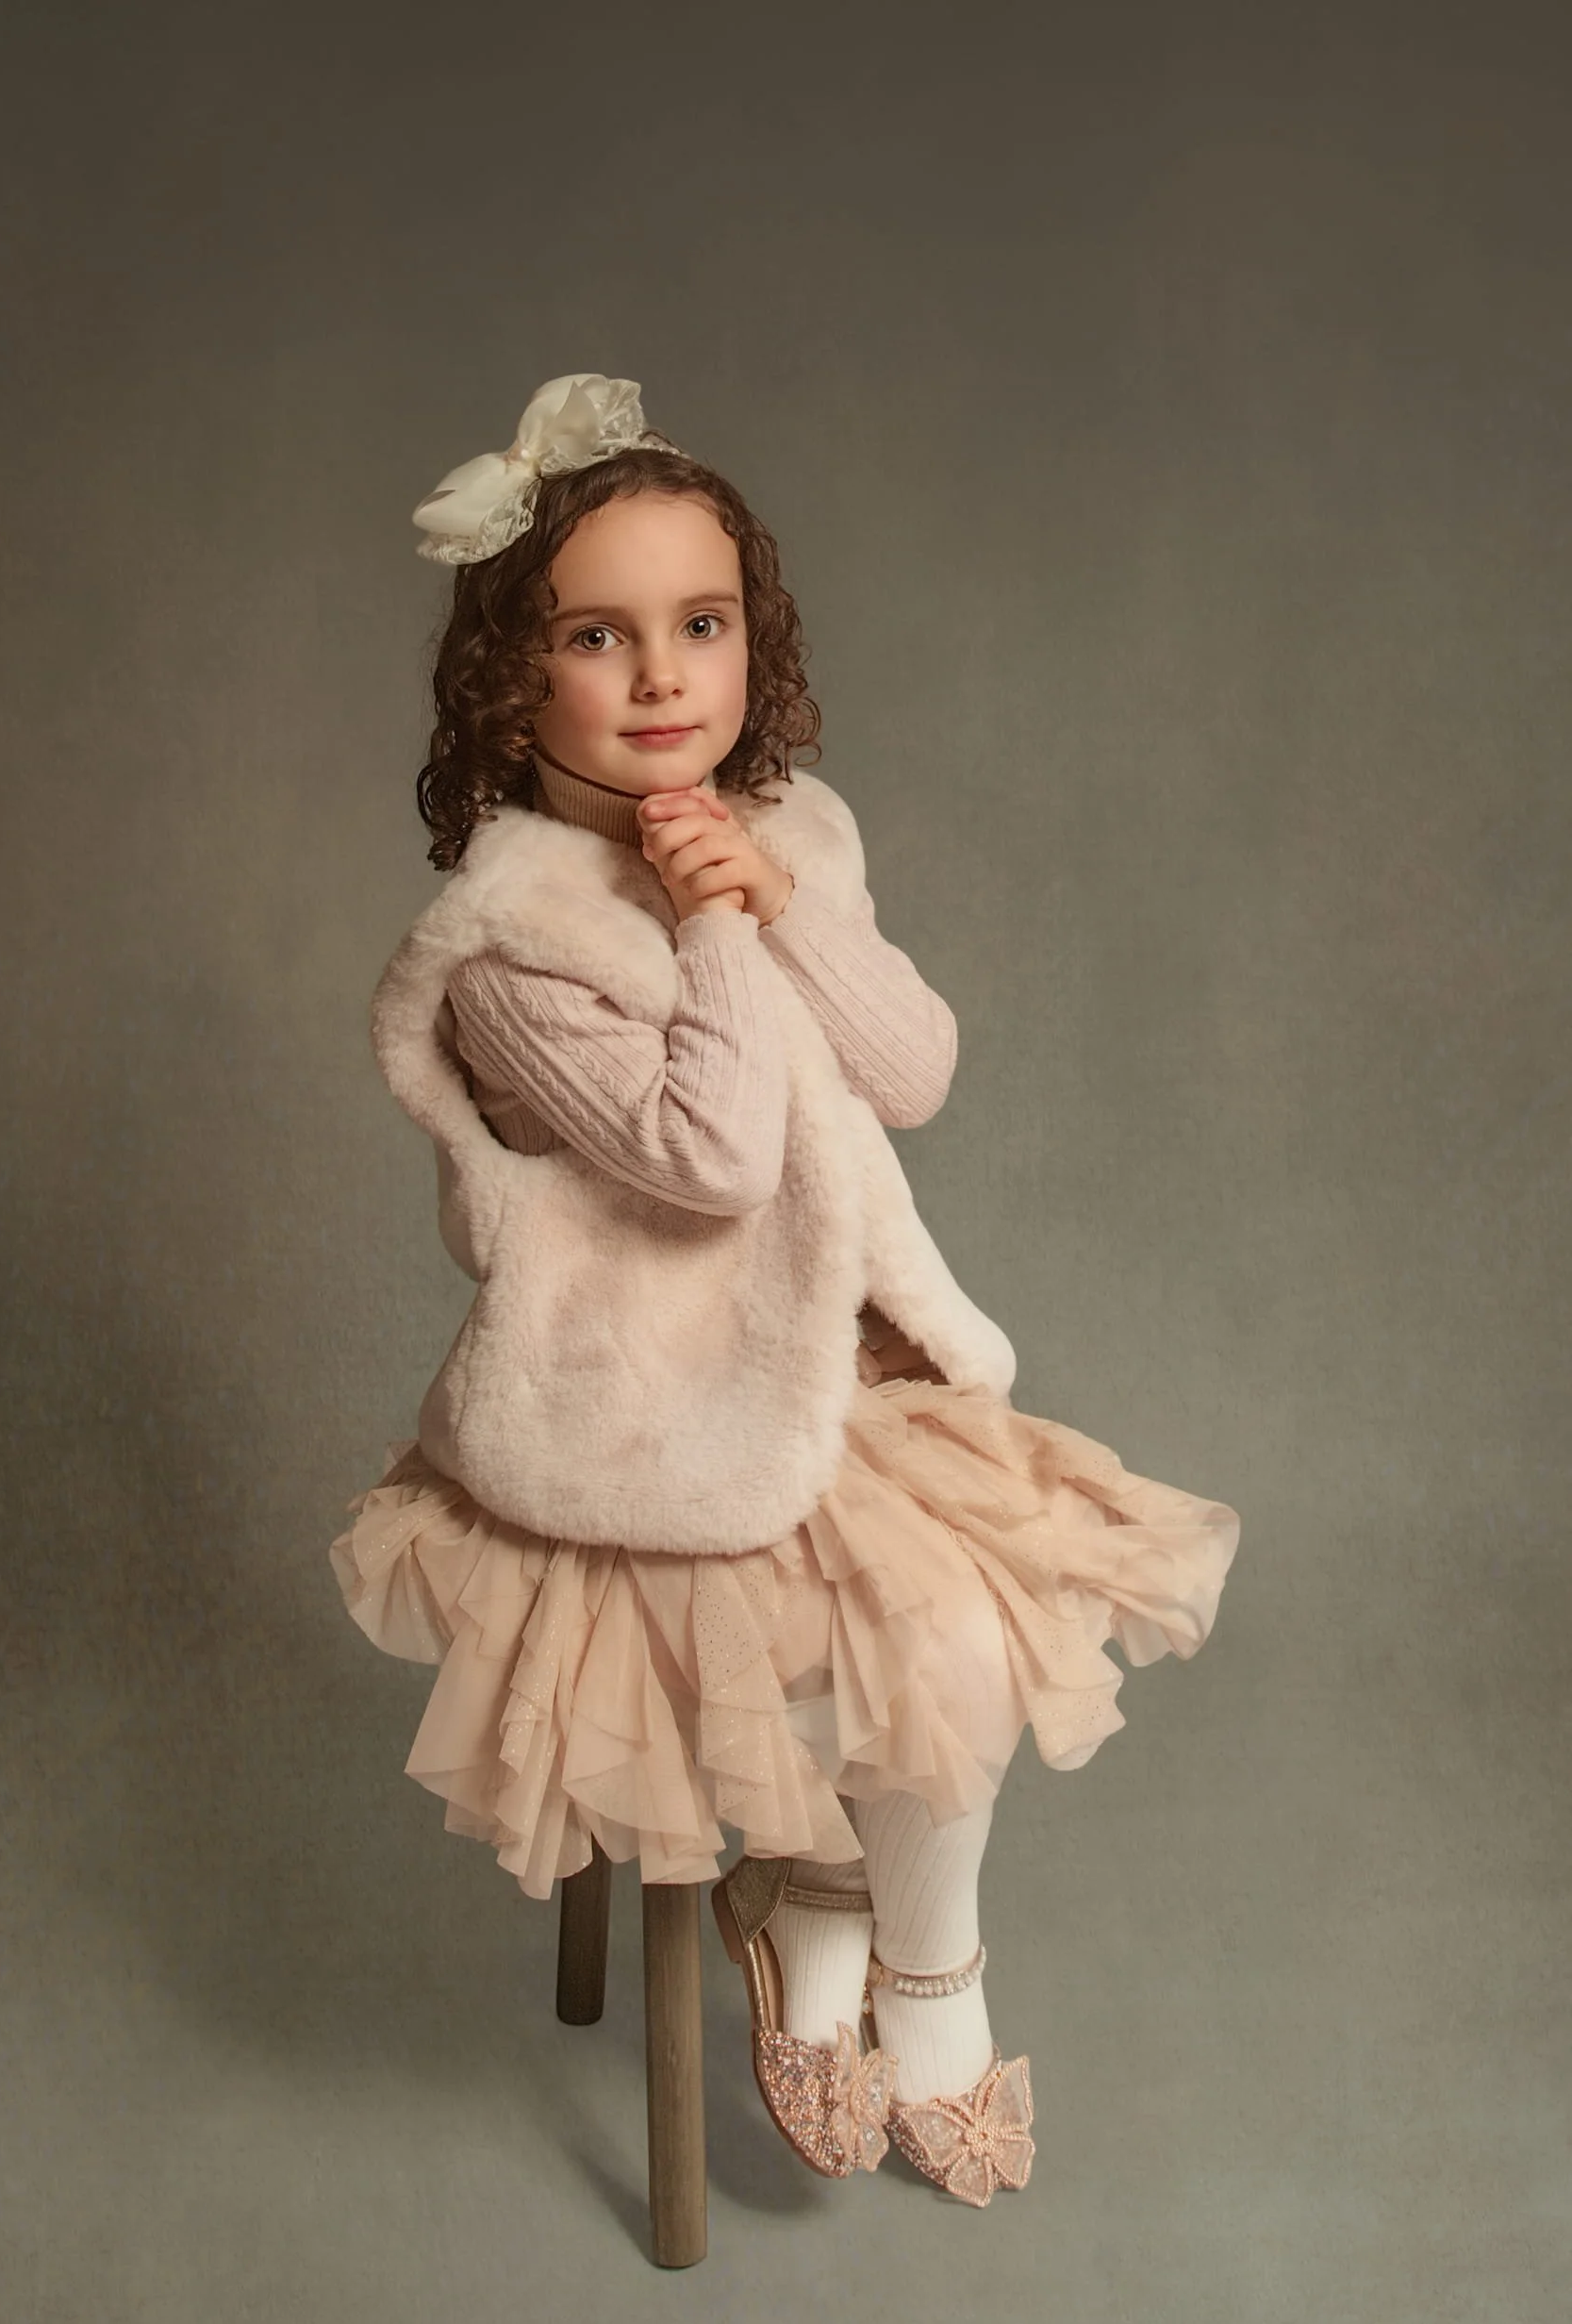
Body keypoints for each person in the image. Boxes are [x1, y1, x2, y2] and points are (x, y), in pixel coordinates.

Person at [328, 373, 1241, 2208]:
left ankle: (884, 1936)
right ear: (520, 675)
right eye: (602, 635)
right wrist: (710, 926)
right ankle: (849, 1916)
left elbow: (911, 1071)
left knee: (972, 1650)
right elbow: (713, 1155)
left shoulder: (785, 831)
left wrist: (785, 896)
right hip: (643, 1400)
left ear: (754, 640)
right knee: (895, 1662)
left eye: (703, 624)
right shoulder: (514, 938)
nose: (666, 677)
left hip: (832, 1358)